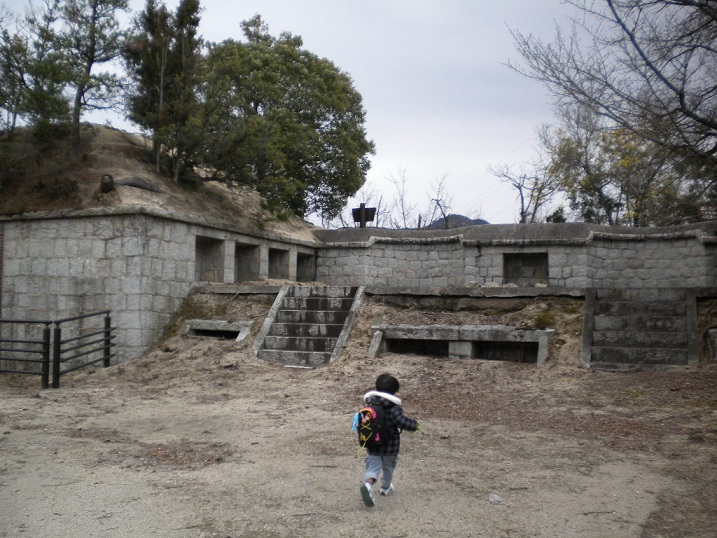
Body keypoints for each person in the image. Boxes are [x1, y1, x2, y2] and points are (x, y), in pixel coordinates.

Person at [359, 373, 419, 508]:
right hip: (390, 446)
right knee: (388, 466)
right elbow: (402, 422)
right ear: (396, 392)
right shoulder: (393, 407)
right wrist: (414, 425)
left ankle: (368, 484)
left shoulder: (370, 405)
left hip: (372, 444)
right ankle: (385, 487)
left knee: (372, 466)